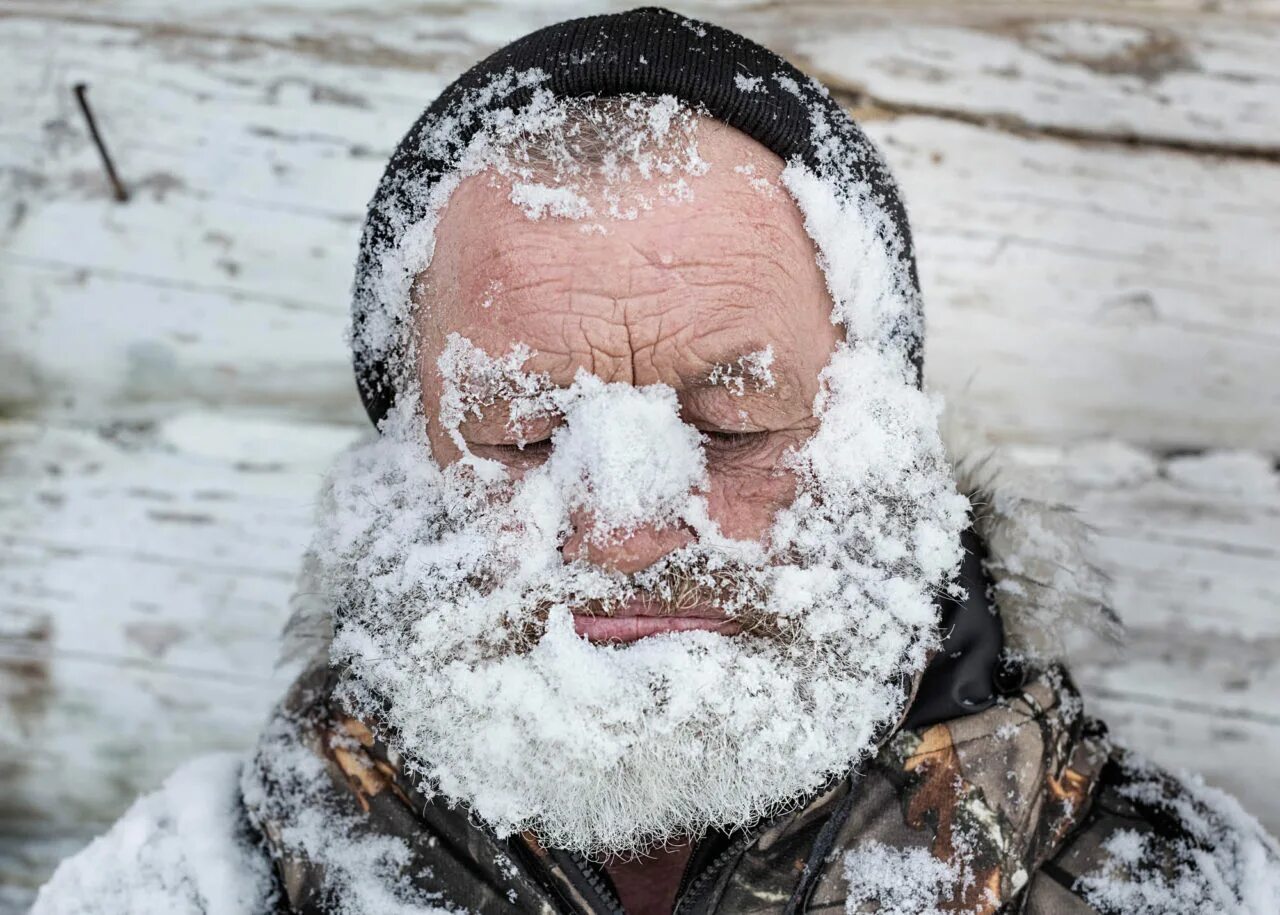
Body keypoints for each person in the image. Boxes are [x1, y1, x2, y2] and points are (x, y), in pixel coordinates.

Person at [32, 8, 1280, 914]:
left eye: (734, 423)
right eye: (522, 437)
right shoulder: (177, 888)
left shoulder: (1190, 890)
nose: (625, 524)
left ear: (885, 437)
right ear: (399, 473)